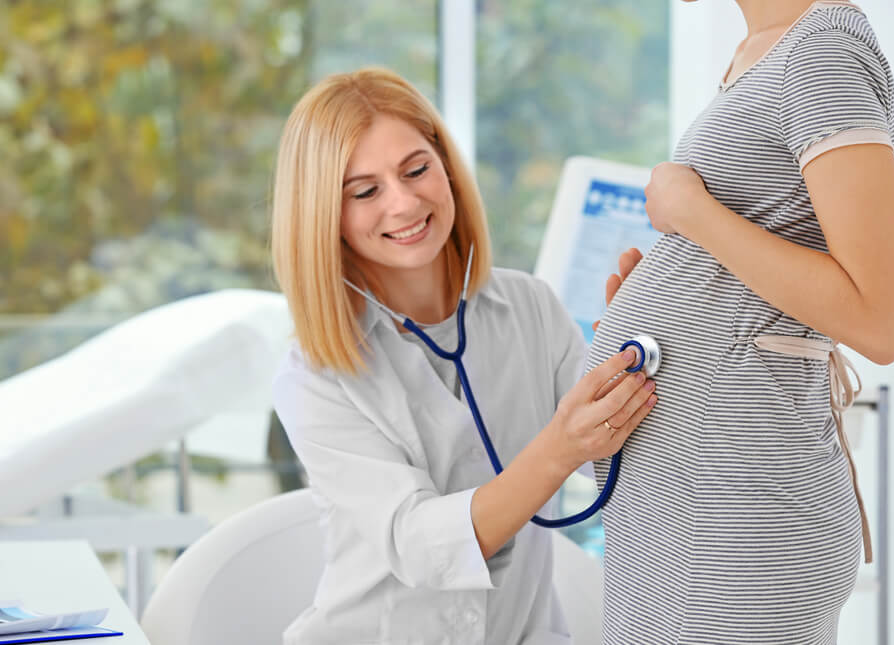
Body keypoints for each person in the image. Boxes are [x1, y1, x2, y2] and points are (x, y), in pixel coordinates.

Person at [270, 68, 657, 644]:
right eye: (365, 191)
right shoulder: (315, 375)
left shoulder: (529, 307)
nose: (403, 204)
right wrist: (561, 445)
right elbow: (422, 546)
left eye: (416, 169)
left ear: (446, 167)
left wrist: (641, 346)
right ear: (326, 214)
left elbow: (625, 457)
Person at [586, 0, 894, 642]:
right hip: (687, 510)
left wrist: (692, 212)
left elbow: (883, 320)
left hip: (743, 518)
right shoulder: (766, 48)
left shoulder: (822, 54)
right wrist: (676, 297)